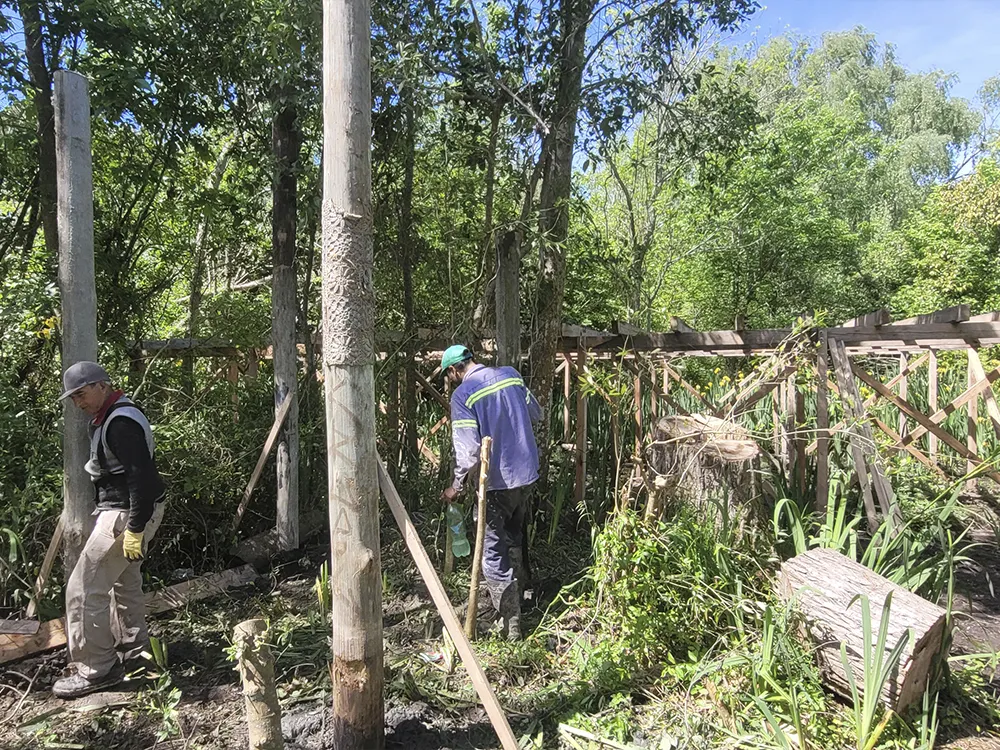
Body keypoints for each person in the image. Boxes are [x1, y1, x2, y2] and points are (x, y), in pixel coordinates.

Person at [52, 361, 166, 699]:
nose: (78, 403)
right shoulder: (119, 412)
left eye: (82, 394)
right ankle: (139, 656)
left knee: (82, 591)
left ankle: (96, 670)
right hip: (129, 511)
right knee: (124, 584)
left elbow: (140, 477)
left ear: (102, 385)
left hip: (124, 515)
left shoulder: (119, 424)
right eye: (73, 398)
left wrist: (133, 527)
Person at [440, 345, 541, 640]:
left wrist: (456, 487)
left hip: (497, 483)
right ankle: (522, 593)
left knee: (492, 551)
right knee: (515, 534)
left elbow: (469, 452)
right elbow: (536, 413)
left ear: (453, 370)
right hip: (527, 475)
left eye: (451, 375)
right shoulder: (510, 375)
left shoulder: (462, 395)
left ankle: (510, 624)